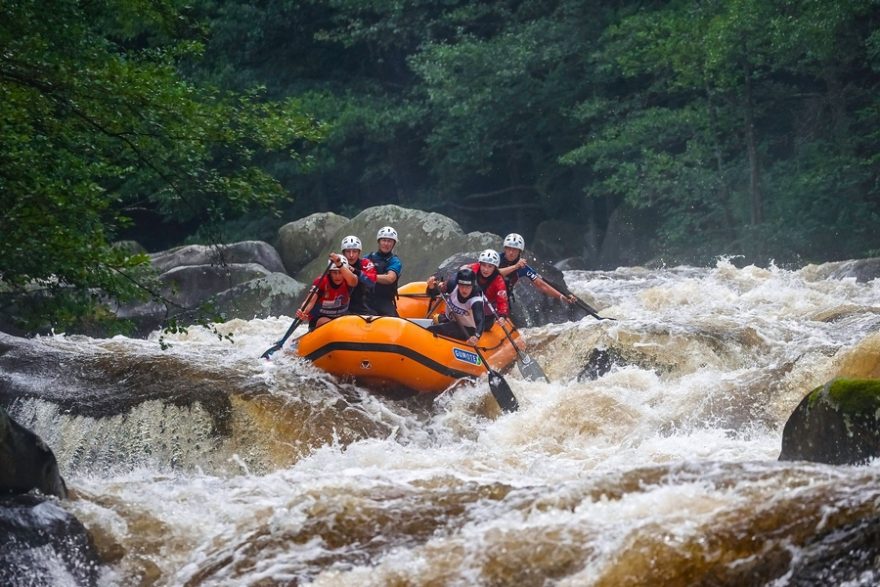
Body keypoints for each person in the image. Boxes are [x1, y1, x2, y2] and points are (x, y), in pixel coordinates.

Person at [497, 233, 576, 306]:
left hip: (503, 297)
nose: (511, 252)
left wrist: (562, 297)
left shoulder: (524, 268)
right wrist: (515, 266)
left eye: (514, 249)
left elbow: (541, 285)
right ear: (505, 249)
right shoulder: (496, 259)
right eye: (509, 249)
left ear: (519, 251)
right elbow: (494, 274)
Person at [296, 253, 358, 330]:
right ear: (329, 272)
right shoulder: (321, 281)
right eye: (334, 272)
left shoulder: (349, 280)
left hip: (340, 320)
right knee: (325, 321)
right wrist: (303, 311)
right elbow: (309, 301)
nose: (337, 276)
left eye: (340, 272)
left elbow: (354, 281)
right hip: (319, 320)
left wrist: (339, 264)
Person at [425, 267, 485, 345]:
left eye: (468, 287)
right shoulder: (452, 284)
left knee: (431, 329)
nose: (464, 290)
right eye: (461, 286)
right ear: (457, 284)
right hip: (449, 318)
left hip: (466, 328)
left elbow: (480, 320)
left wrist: (476, 336)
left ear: (472, 286)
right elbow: (434, 294)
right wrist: (431, 287)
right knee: (434, 321)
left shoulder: (476, 300)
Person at [464, 249, 509, 330]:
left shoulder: (499, 282)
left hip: (486, 308)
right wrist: (445, 285)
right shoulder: (472, 268)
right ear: (479, 264)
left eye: (490, 266)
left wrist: (502, 316)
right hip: (469, 302)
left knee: (484, 326)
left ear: (495, 267)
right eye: (484, 265)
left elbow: (502, 302)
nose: (485, 269)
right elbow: (458, 277)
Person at [365, 226, 402, 317]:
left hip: (384, 300)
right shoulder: (368, 258)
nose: (386, 244)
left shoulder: (394, 261)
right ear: (379, 241)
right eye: (384, 240)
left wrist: (369, 276)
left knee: (394, 322)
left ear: (393, 243)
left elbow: (390, 278)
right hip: (366, 299)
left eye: (389, 241)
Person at [340, 235, 377, 314]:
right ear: (343, 253)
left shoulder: (365, 263)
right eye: (348, 251)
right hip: (341, 306)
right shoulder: (337, 265)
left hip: (362, 306)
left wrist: (356, 271)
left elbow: (372, 282)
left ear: (359, 252)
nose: (351, 255)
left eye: (354, 251)